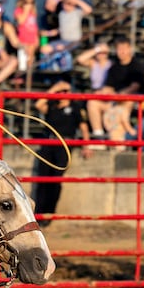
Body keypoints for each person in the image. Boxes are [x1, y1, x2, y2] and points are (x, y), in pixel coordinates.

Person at [32, 79, 90, 225]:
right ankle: (37, 215)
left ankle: (49, 214)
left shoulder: (76, 107)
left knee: (56, 181)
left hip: (65, 145)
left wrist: (86, 145)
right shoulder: (51, 105)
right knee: (42, 180)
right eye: (60, 91)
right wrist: (54, 88)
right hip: (48, 143)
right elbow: (38, 104)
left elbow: (83, 127)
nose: (63, 94)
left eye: (66, 91)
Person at [86, 36, 144, 140]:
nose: (122, 52)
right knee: (93, 102)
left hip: (131, 101)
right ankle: (99, 135)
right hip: (115, 100)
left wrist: (120, 95)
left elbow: (135, 87)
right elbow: (109, 87)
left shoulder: (137, 66)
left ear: (130, 49)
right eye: (119, 49)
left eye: (124, 48)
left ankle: (121, 138)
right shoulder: (114, 67)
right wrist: (101, 93)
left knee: (125, 104)